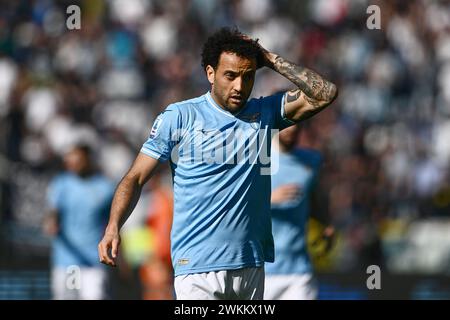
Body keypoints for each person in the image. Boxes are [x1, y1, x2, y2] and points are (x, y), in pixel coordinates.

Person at [98, 27, 338, 300]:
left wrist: (270, 59)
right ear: (210, 73)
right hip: (197, 268)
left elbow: (325, 93)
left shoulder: (265, 113)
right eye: (230, 76)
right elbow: (135, 177)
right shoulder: (181, 117)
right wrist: (113, 226)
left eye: (248, 77)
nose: (239, 86)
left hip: (250, 265)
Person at [264, 124, 335, 300]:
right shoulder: (257, 159)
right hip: (261, 270)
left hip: (298, 270)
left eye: (297, 122)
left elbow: (314, 197)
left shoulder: (311, 161)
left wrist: (326, 224)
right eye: (287, 122)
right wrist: (269, 200)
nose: (292, 128)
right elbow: (236, 205)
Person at [43, 144, 115, 300]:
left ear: (88, 159)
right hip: (67, 261)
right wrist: (52, 222)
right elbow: (53, 212)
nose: (73, 162)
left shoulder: (105, 187)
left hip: (94, 261)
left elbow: (114, 223)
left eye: (78, 158)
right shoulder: (61, 184)